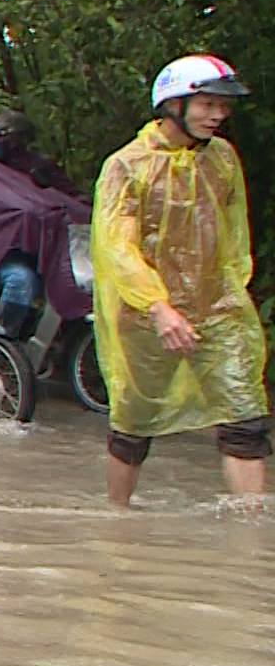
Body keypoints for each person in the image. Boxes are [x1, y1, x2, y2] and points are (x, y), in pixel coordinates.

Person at [92, 55, 268, 507]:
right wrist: (157, 305)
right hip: (144, 315)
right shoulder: (126, 167)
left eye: (223, 106)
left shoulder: (223, 159)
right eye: (207, 104)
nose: (219, 115)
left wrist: (233, 294)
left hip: (217, 308)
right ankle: (117, 522)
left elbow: (233, 236)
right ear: (173, 104)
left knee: (245, 419)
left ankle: (252, 537)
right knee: (134, 424)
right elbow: (117, 247)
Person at [0, 110, 90, 338]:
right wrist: (38, 209)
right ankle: (0, 345)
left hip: (47, 253)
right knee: (20, 281)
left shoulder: (37, 167)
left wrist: (78, 211)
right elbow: (9, 202)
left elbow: (72, 198)